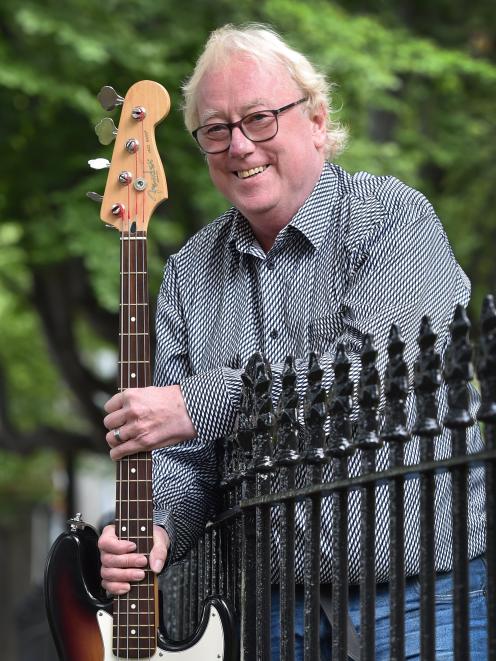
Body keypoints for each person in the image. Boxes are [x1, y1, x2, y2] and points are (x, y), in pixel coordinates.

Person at [98, 23, 487, 659]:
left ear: (315, 119)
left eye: (259, 118)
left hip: (429, 597)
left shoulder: (394, 217)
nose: (239, 145)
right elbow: (184, 458)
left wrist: (198, 405)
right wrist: (155, 527)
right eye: (216, 129)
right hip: (278, 613)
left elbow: (374, 375)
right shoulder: (190, 272)